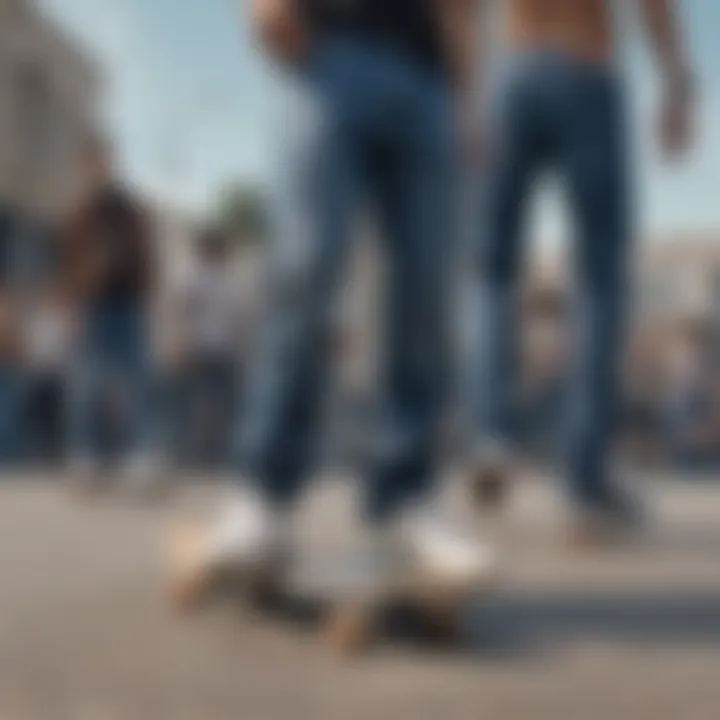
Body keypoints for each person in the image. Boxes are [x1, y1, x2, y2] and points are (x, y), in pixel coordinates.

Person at [170, 0, 493, 599]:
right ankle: (262, 494)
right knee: (306, 260)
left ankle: (407, 494)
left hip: (426, 75)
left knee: (428, 280)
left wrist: (466, 104)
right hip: (330, 48)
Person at [468, 0, 696, 538]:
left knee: (492, 271)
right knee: (598, 280)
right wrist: (676, 83)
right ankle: (583, 482)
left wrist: (461, 93)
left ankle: (490, 435)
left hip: (512, 73)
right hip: (586, 71)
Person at [62, 136, 160, 493]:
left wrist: (145, 291)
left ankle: (141, 456)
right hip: (94, 303)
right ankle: (86, 457)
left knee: (137, 383)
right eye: (92, 162)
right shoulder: (80, 212)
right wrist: (74, 302)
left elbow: (145, 251)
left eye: (103, 160)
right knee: (87, 385)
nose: (99, 167)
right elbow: (68, 263)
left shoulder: (128, 207)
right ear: (85, 167)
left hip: (128, 303)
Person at [173, 228, 245, 469]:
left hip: (222, 350)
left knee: (221, 406)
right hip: (200, 348)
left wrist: (238, 348)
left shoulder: (228, 280)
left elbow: (236, 318)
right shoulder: (193, 275)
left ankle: (214, 455)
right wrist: (183, 343)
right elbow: (185, 312)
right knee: (197, 404)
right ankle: (195, 455)